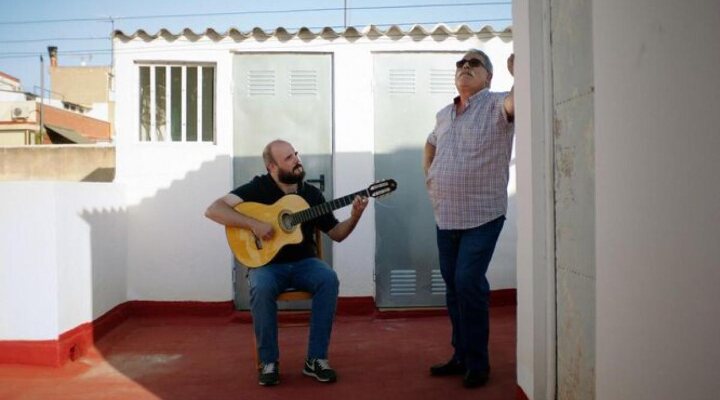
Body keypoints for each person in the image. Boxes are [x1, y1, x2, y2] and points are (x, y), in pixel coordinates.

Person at [205, 139, 368, 387]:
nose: (297, 161)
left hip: (305, 263)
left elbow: (336, 233)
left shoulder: (311, 194)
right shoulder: (257, 188)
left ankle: (316, 359)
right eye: (289, 158)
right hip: (268, 266)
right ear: (272, 167)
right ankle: (268, 362)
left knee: (328, 279)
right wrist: (254, 224)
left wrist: (355, 216)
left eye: (296, 155)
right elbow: (214, 210)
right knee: (261, 286)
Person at [423, 49, 515, 388]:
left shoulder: (497, 103)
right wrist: (430, 175)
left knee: (467, 282)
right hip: (445, 215)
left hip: (483, 215)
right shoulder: (445, 113)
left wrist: (521, 73)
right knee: (453, 288)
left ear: (488, 76)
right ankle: (460, 355)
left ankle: (478, 362)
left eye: (473, 63)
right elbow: (430, 143)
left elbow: (516, 105)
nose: (465, 67)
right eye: (460, 64)